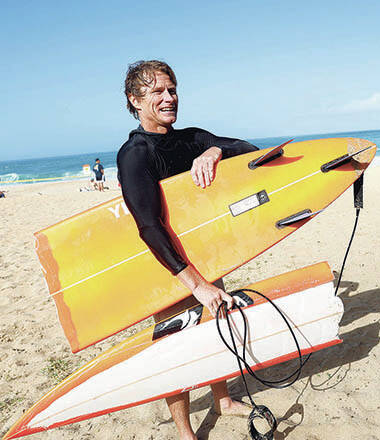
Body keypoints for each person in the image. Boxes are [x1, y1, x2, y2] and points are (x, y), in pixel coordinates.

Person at [117, 60, 258, 440]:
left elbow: (248, 148)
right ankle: (185, 431)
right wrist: (196, 285)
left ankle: (222, 400)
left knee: (216, 329)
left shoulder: (192, 138)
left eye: (172, 89)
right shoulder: (135, 155)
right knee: (174, 346)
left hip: (206, 255)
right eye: (157, 92)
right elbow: (149, 226)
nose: (169, 98)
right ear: (135, 100)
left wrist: (213, 152)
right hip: (166, 266)